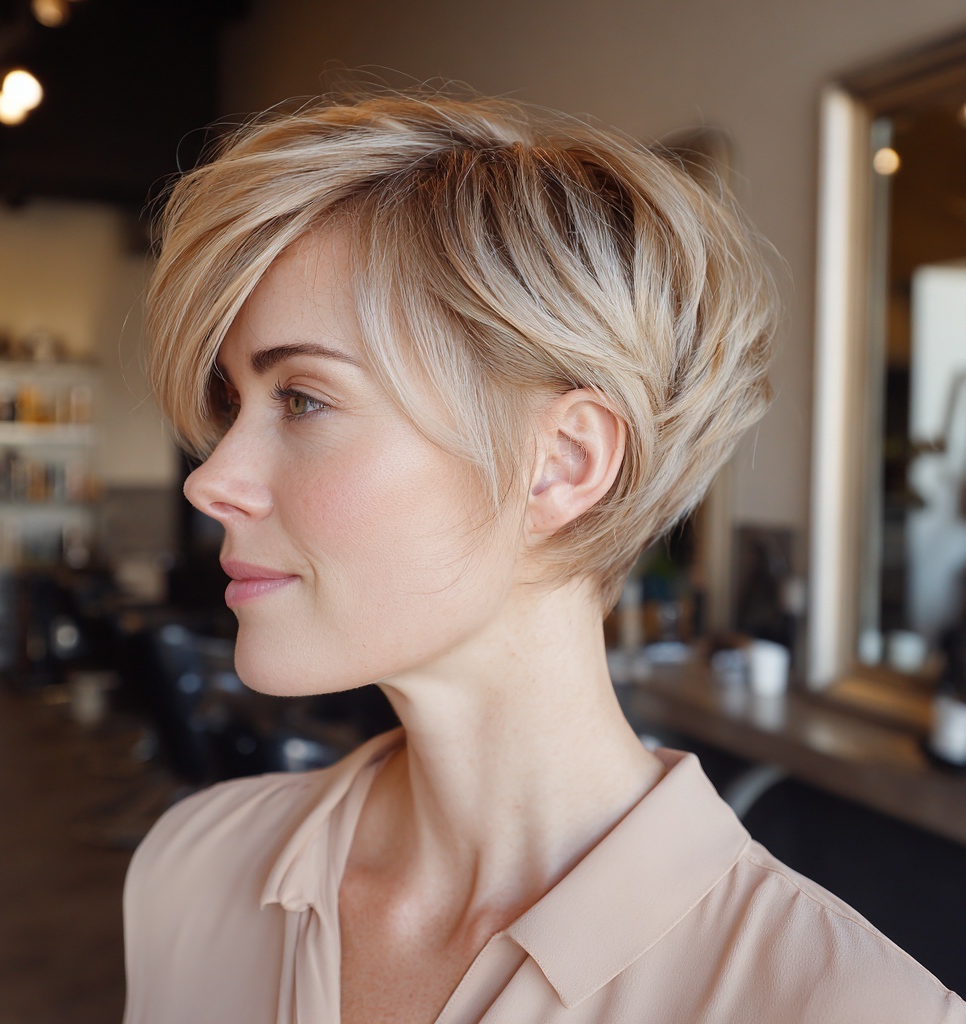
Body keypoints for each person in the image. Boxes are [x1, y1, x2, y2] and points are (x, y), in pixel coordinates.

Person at [123, 89, 966, 1023]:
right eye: (235, 405)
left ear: (560, 465)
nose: (213, 481)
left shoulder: (845, 1007)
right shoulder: (190, 874)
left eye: (304, 400)